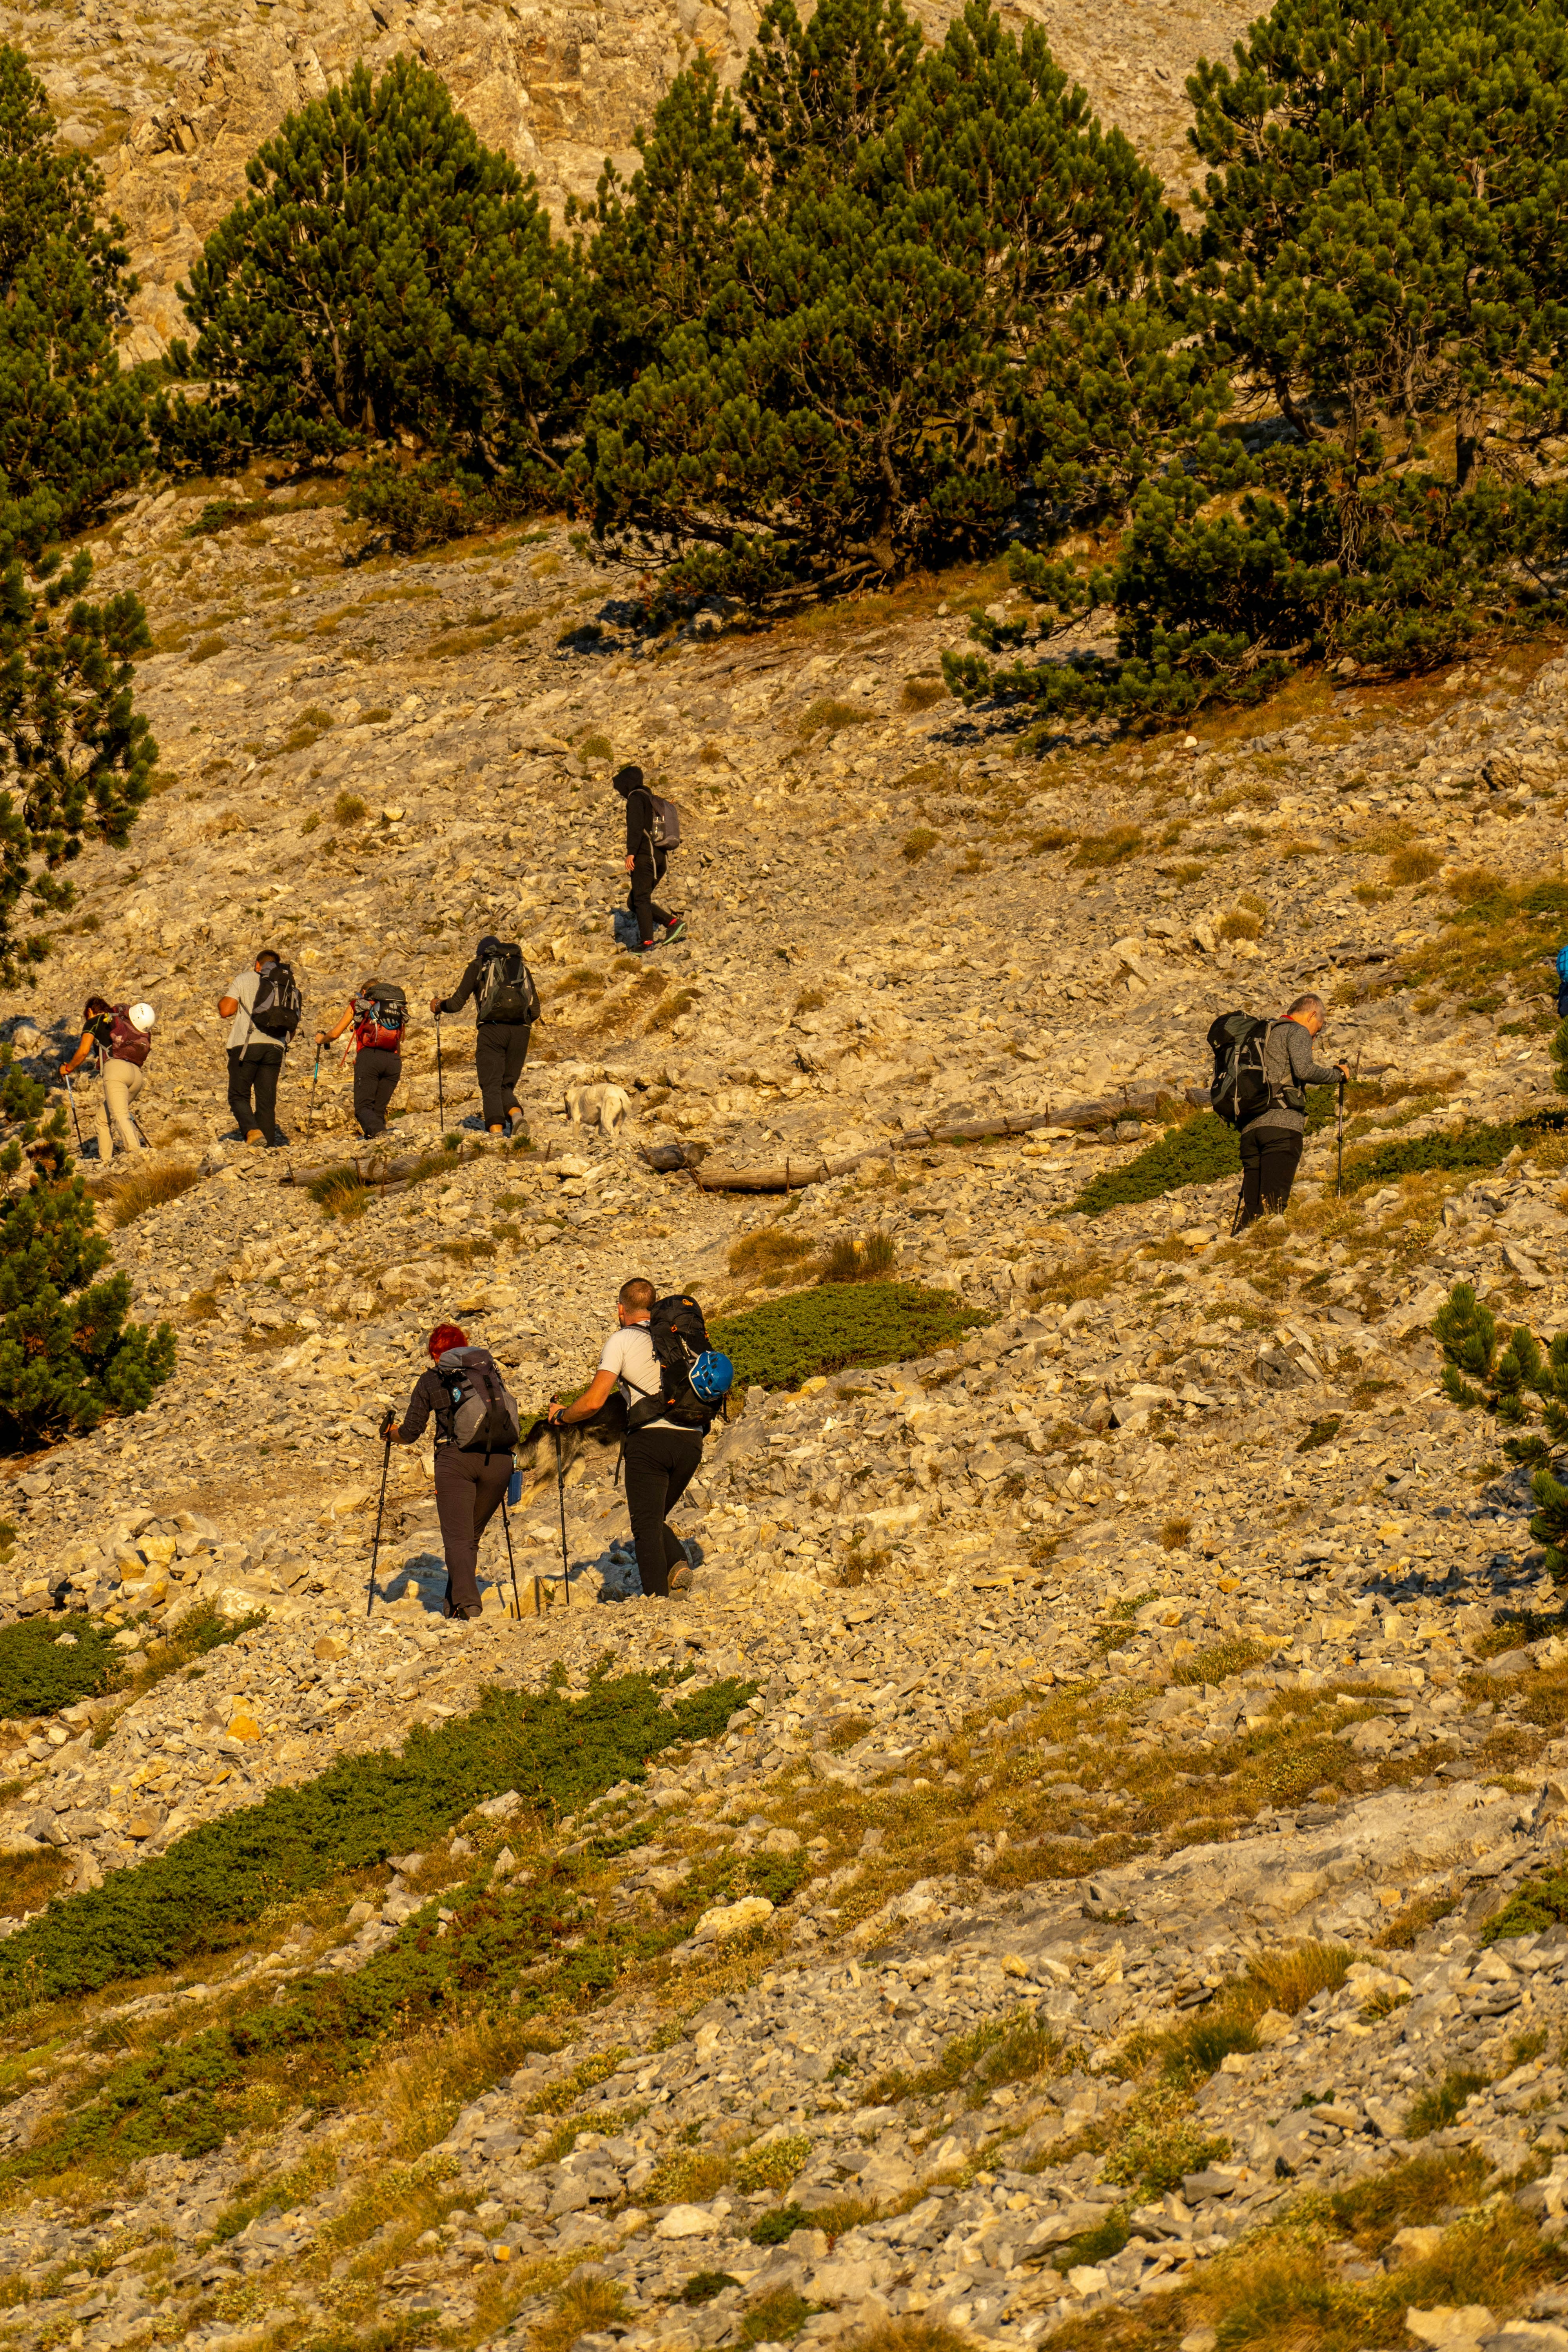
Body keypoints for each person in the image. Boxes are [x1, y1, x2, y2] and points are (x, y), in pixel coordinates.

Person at [548, 1278, 696, 1598]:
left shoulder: (622, 1339)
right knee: (654, 1517)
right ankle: (677, 1565)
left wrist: (563, 1416)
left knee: (645, 1526)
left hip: (651, 1441)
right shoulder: (678, 1336)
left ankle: (656, 1602)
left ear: (621, 1309)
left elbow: (594, 1402)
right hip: (692, 1439)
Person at [382, 1322, 517, 1619]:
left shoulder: (431, 1379)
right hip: (500, 1461)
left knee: (458, 1539)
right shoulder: (488, 1374)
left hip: (456, 1460)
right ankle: (453, 1604)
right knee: (469, 1538)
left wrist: (390, 1434)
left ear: (435, 1353)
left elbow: (411, 1432)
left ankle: (470, 1605)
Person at [1238, 992, 1348, 1229]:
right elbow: (1304, 1070)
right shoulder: (1296, 1031)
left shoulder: (1263, 1034)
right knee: (1274, 1205)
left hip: (1250, 1128)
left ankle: (1241, 1244)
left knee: (1253, 1207)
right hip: (1282, 1126)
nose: (1314, 1037)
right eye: (1318, 1030)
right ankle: (1266, 1245)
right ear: (1312, 1015)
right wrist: (1338, 1075)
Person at [430, 935, 538, 1136]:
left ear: (482, 954)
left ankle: (496, 1135)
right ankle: (517, 1118)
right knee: (506, 1085)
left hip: (492, 1030)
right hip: (521, 1031)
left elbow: (456, 1004)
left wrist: (439, 1005)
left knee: (491, 1084)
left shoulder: (479, 966)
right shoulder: (520, 967)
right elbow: (536, 1010)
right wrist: (516, 1023)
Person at [218, 949, 296, 1146]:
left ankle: (252, 1132)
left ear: (257, 965)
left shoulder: (245, 979)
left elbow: (226, 1011)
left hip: (246, 1045)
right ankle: (268, 1146)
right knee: (267, 1101)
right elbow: (292, 1024)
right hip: (276, 1047)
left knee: (238, 1095)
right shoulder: (287, 985)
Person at [60, 996, 153, 1161]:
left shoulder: (94, 1022)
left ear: (90, 1011)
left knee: (120, 1115)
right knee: (102, 1121)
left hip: (116, 1070)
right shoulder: (122, 1020)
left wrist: (68, 1069)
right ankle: (106, 1162)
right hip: (136, 1075)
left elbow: (83, 1051)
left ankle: (137, 1155)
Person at [317, 979, 406, 1138]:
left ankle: (378, 1134)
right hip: (393, 1062)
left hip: (369, 1057)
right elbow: (398, 1040)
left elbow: (336, 1034)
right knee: (378, 1111)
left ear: (365, 992)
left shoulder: (358, 1005)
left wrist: (322, 1040)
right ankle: (381, 1142)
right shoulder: (396, 1008)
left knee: (363, 1108)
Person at [612, 764, 685, 953]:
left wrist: (631, 852)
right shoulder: (651, 799)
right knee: (634, 901)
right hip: (660, 859)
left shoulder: (636, 798)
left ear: (627, 783)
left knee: (641, 899)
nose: (620, 791)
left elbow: (635, 827)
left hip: (645, 857)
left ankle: (647, 943)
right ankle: (673, 923)